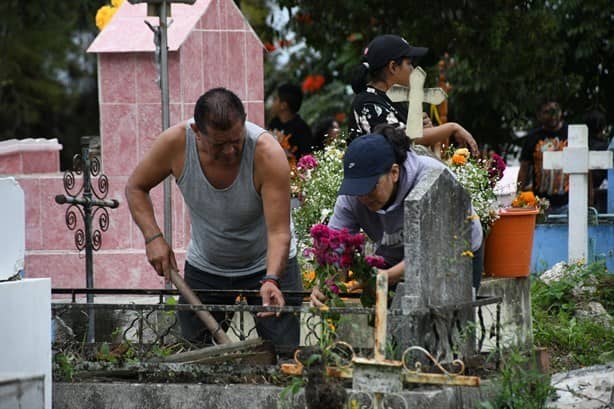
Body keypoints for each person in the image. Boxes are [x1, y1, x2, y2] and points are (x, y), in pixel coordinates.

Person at [125, 88, 303, 352]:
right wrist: (153, 238)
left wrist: (271, 278)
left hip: (267, 264)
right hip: (207, 267)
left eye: (237, 140)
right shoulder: (175, 145)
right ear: (197, 131)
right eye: (219, 144)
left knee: (284, 356)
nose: (230, 151)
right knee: (194, 356)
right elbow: (135, 187)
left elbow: (278, 232)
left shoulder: (267, 153)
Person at [310, 124, 483, 307]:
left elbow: (435, 251)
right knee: (393, 324)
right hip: (395, 251)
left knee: (448, 318)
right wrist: (325, 285)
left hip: (454, 248)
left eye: (370, 188)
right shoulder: (351, 196)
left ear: (394, 172)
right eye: (357, 190)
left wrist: (386, 277)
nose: (363, 197)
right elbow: (334, 246)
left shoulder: (431, 178)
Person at [347, 34, 478, 156]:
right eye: (409, 63)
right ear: (393, 67)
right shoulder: (367, 103)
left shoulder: (389, 101)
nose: (412, 69)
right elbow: (402, 138)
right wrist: (452, 128)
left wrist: (428, 133)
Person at [517, 99, 569, 214]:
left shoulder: (571, 134)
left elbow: (585, 167)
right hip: (540, 204)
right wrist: (518, 197)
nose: (552, 116)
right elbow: (524, 169)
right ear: (539, 115)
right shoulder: (533, 137)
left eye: (555, 111)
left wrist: (589, 198)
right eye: (547, 112)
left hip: (568, 203)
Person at [268, 83, 314, 159]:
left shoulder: (302, 129)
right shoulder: (274, 123)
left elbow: (307, 160)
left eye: (275, 99)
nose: (272, 104)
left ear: (283, 105)